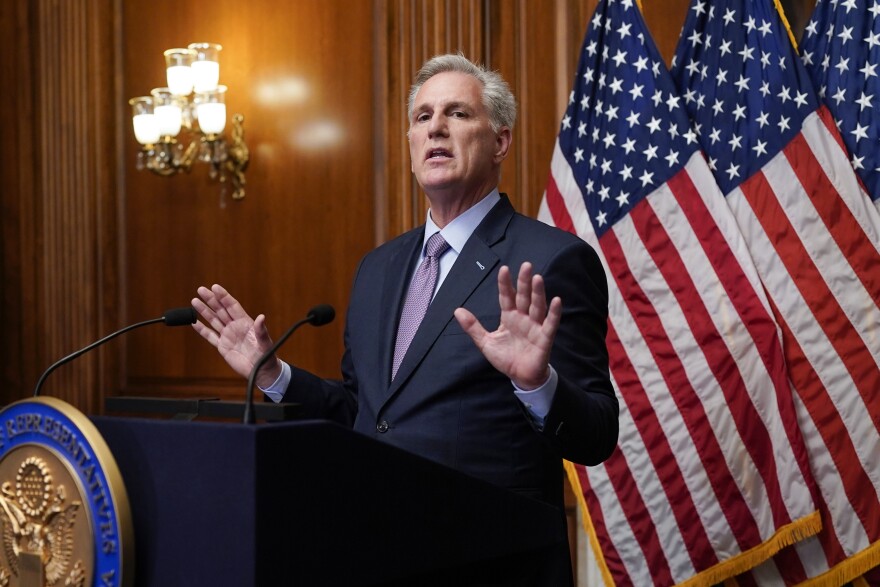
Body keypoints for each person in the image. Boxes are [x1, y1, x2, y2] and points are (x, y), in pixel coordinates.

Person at [192, 53, 618, 585]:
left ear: (501, 142)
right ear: (412, 146)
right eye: (422, 117)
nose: (436, 127)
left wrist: (537, 383)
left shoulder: (551, 259)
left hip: (493, 563)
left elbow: (597, 434)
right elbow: (364, 412)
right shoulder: (378, 268)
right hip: (377, 552)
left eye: (458, 114)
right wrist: (273, 373)